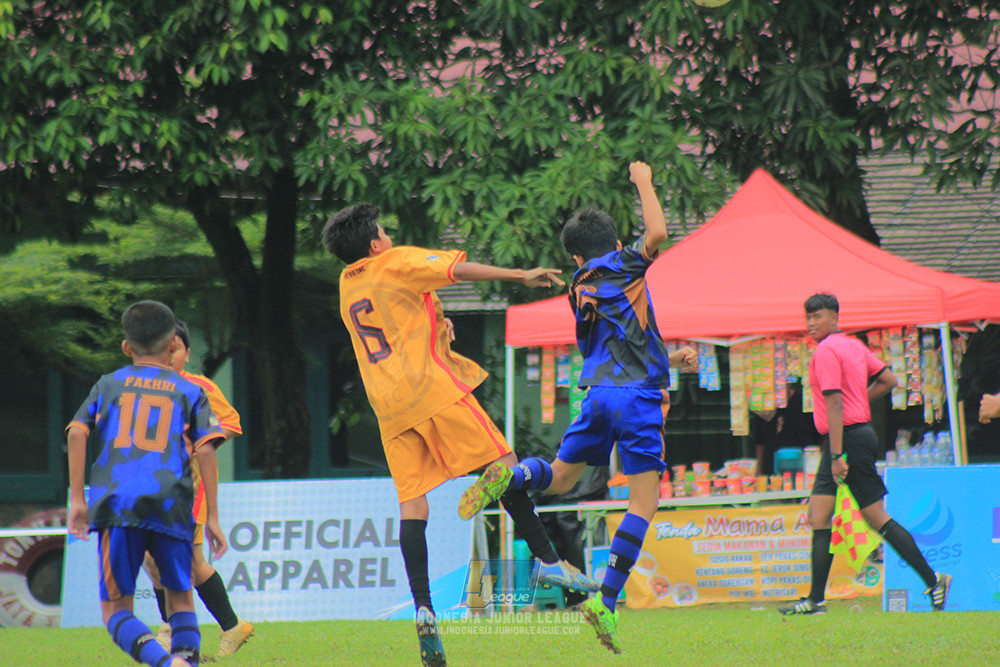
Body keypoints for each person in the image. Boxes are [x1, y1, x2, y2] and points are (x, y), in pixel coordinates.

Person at [322, 204, 596, 667]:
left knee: (412, 506)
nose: (389, 238)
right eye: (384, 233)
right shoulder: (394, 261)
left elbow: (397, 324)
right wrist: (519, 273)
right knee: (507, 467)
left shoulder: (348, 284)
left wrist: (438, 329)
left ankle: (424, 607)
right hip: (433, 392)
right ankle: (549, 561)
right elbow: (456, 267)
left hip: (388, 409)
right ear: (374, 245)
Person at [461, 161, 698, 654]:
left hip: (598, 396)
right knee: (643, 503)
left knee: (561, 477)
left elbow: (621, 340)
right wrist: (643, 181)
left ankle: (512, 476)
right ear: (615, 245)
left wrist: (670, 356)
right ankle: (605, 602)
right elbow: (657, 231)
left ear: (573, 255)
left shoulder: (578, 284)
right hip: (638, 400)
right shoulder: (625, 263)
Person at [66, 301, 226, 667]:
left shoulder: (108, 385)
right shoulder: (189, 391)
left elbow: (77, 432)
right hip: (172, 502)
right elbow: (206, 450)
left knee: (115, 611)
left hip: (116, 502)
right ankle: (185, 660)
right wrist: (213, 515)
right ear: (174, 344)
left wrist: (78, 500)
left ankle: (167, 663)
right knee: (181, 599)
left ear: (126, 347)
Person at [779, 293, 951, 615]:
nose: (811, 323)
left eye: (818, 317)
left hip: (845, 442)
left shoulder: (827, 351)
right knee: (818, 515)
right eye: (808, 318)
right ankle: (815, 601)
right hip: (850, 436)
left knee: (875, 517)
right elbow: (888, 380)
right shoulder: (855, 346)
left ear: (834, 318)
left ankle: (933, 580)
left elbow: (834, 403)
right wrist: (859, 403)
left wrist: (836, 455)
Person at [142, 320, 254, 657]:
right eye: (164, 347)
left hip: (188, 489)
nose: (169, 354)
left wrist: (199, 447)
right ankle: (230, 627)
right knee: (151, 560)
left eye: (175, 348)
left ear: (187, 353)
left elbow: (231, 423)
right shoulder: (145, 388)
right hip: (153, 488)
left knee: (186, 560)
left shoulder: (199, 386)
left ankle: (175, 629)